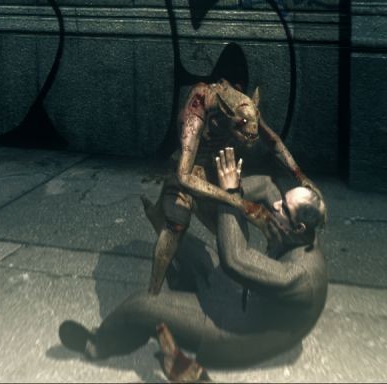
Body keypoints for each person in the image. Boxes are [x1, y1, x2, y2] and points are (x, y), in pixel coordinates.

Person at [59, 148, 328, 380]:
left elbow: (236, 259)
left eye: (284, 208)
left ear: (299, 228)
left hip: (242, 333)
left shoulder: (302, 276)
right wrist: (217, 187)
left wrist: (230, 193)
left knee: (142, 304)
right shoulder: (297, 230)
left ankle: (98, 345)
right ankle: (181, 299)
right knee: (185, 245)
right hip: (249, 300)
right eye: (283, 199)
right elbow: (267, 186)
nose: (276, 204)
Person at [149, 79, 320, 295]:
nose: (247, 139)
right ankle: (153, 293)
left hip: (216, 172)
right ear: (228, 114)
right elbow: (184, 175)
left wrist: (299, 175)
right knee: (176, 225)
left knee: (234, 234)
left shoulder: (243, 105)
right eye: (243, 132)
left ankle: (230, 285)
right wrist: (239, 202)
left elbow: (273, 141)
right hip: (187, 172)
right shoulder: (199, 105)